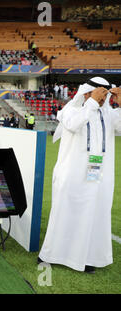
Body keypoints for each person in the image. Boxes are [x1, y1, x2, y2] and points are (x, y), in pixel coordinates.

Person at [39, 77, 121, 274]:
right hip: (72, 174)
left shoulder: (107, 113)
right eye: (100, 96)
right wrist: (92, 102)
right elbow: (73, 124)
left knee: (94, 213)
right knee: (66, 211)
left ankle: (88, 257)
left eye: (104, 97)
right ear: (86, 92)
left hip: (98, 176)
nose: (103, 101)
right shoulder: (72, 109)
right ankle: (51, 254)